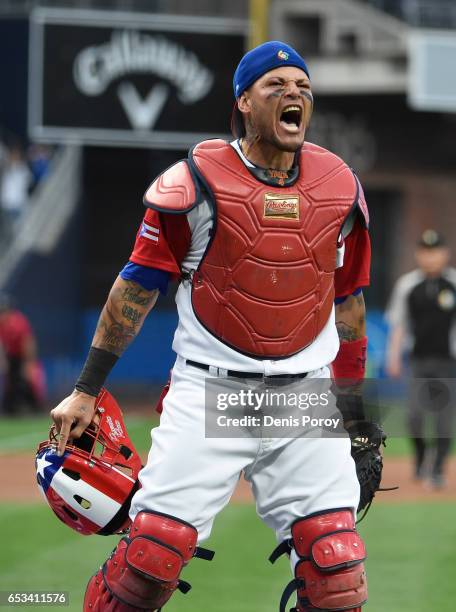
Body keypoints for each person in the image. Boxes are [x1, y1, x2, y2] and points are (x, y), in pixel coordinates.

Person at [51, 41, 377, 612]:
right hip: (211, 390)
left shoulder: (340, 186)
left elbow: (347, 304)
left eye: (302, 85)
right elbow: (134, 289)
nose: (294, 94)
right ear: (244, 102)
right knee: (149, 561)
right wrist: (87, 387)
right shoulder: (196, 182)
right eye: (276, 85)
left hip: (303, 394)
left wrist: (350, 412)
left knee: (338, 572)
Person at [386, 229, 456, 488]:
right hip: (418, 361)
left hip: (448, 362)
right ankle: (421, 457)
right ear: (418, 255)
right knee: (414, 417)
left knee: (443, 419)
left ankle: (437, 470)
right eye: (426, 252)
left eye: (436, 251)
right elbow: (399, 324)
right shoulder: (408, 285)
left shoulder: (453, 284)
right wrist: (393, 357)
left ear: (445, 254)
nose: (431, 257)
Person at [0, 294, 45, 414]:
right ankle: (11, 409)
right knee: (11, 383)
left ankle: (35, 409)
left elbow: (28, 342)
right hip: (12, 357)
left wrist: (29, 363)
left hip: (23, 357)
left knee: (28, 381)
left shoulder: (18, 322)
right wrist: (3, 361)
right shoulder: (2, 323)